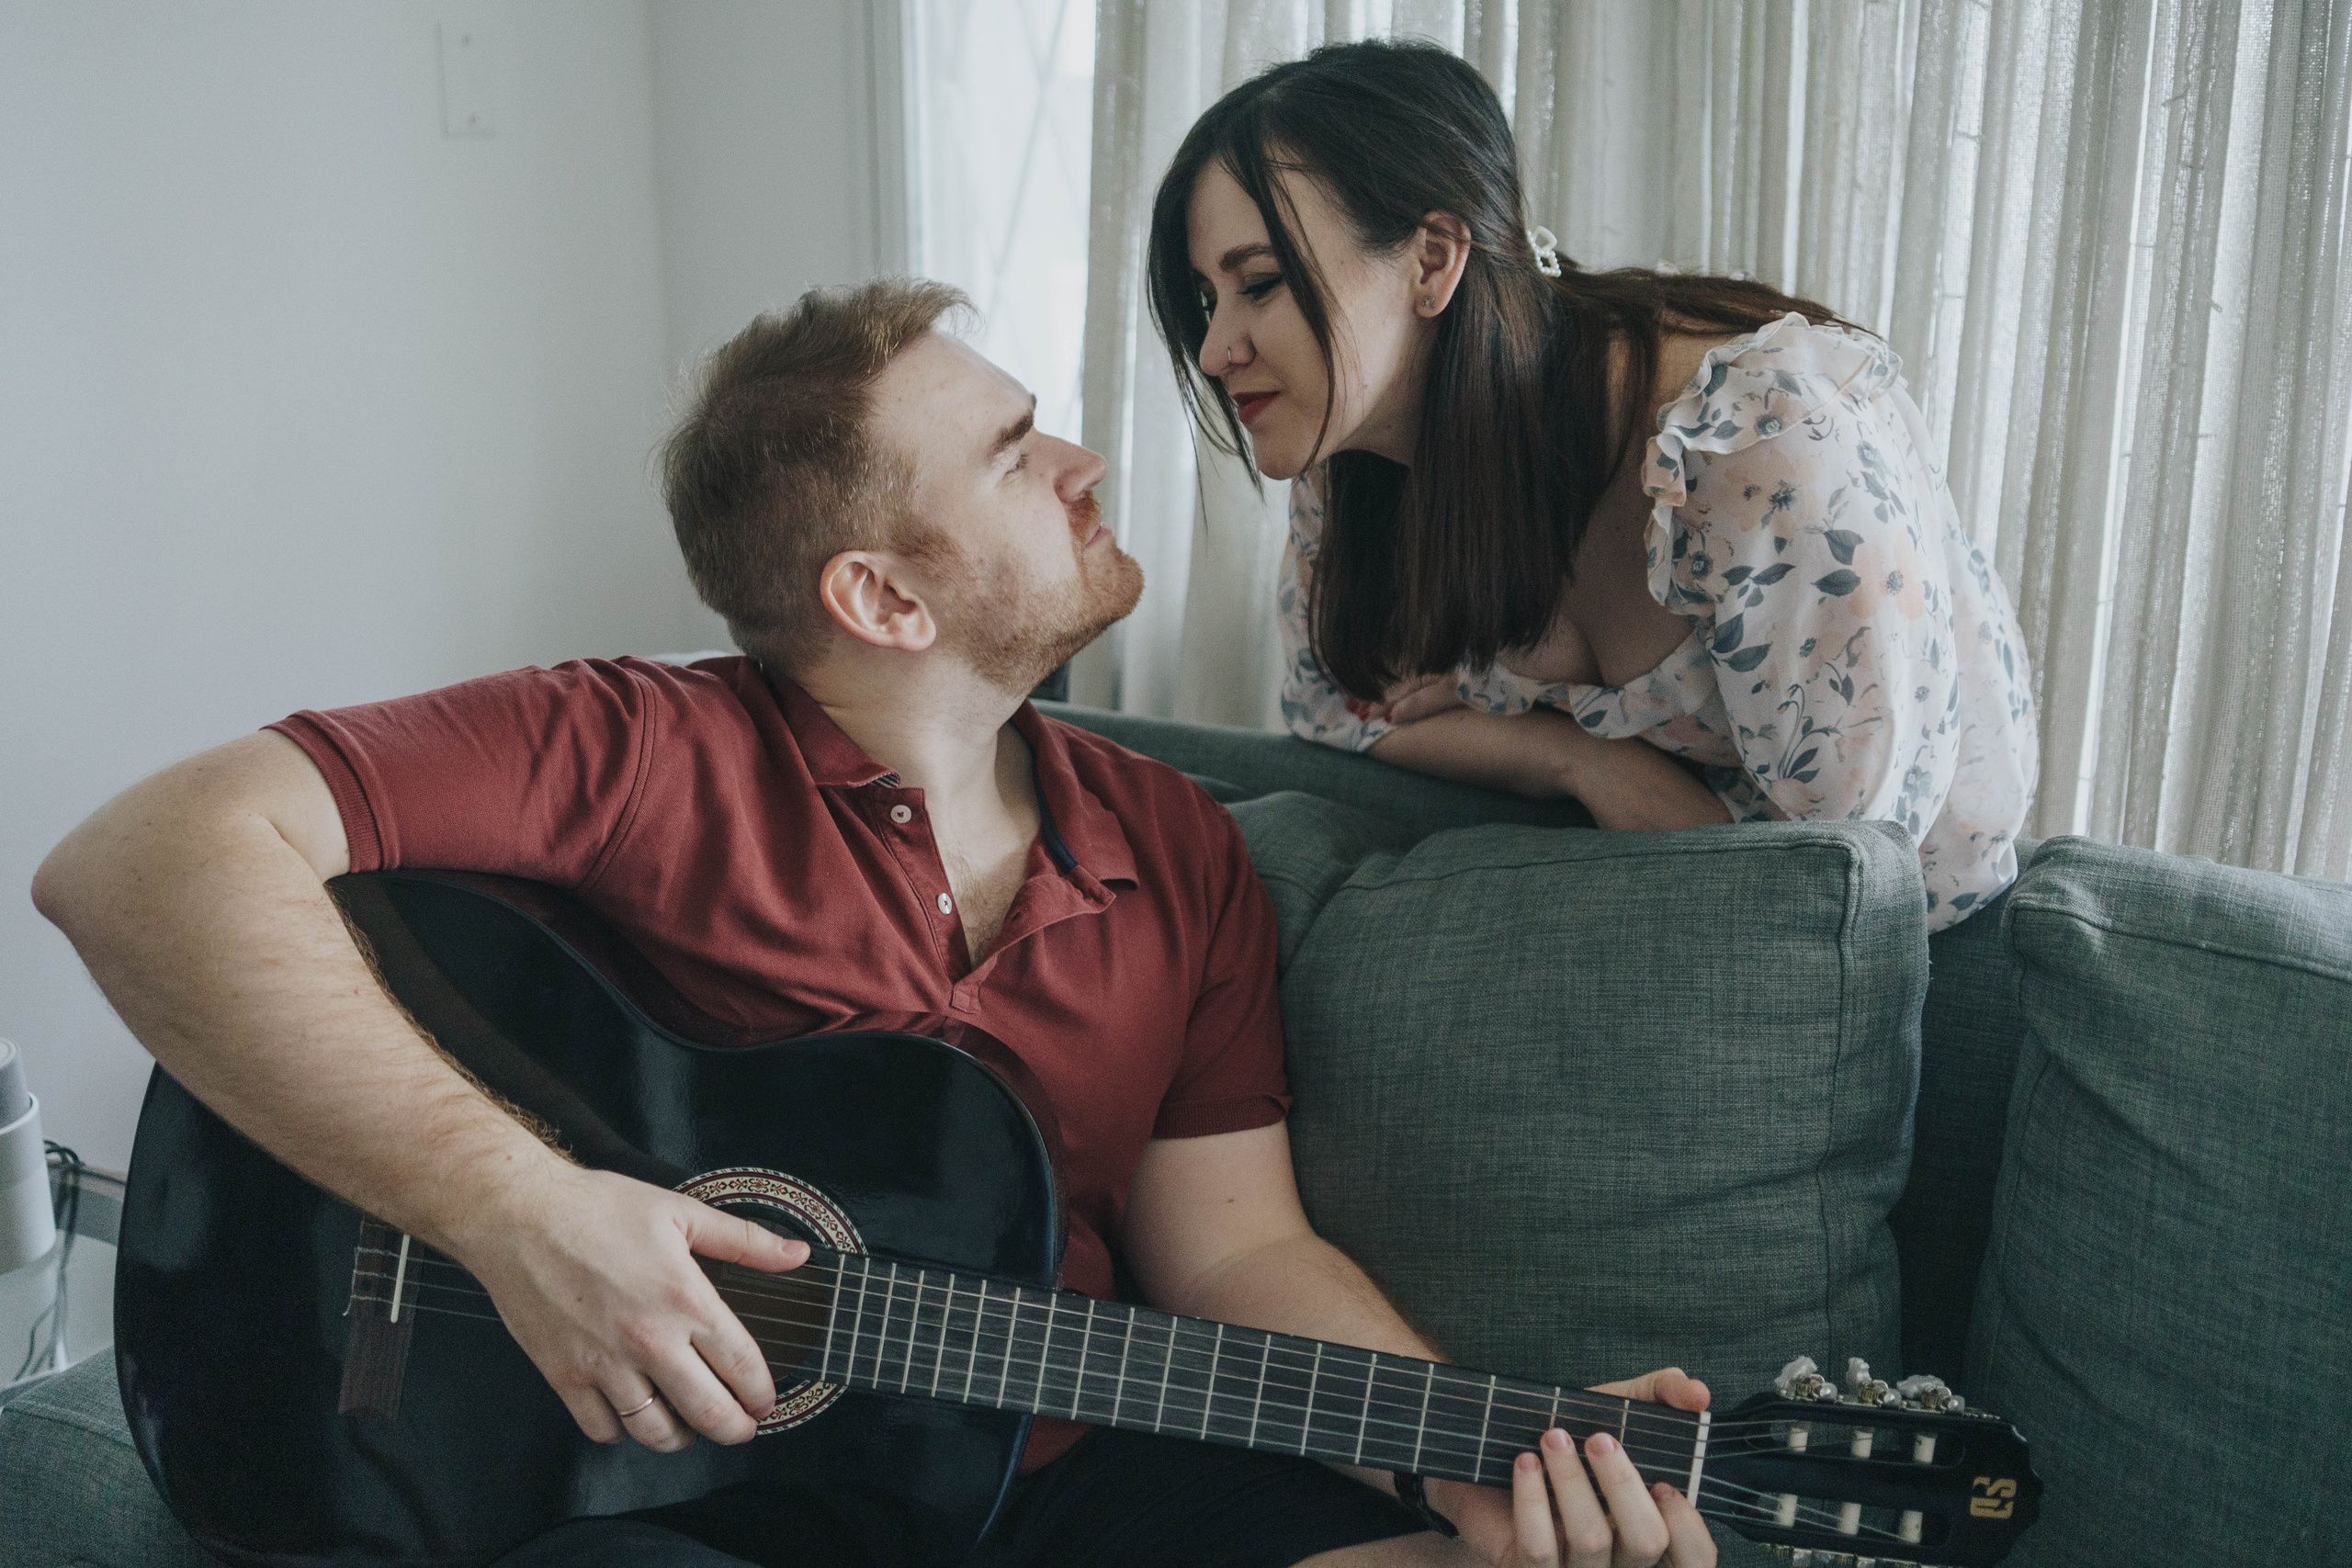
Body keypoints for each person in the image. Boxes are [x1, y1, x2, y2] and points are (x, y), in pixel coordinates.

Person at [34, 280, 1715, 1568]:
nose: (1085, 463)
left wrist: (1478, 1454)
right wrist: (516, 1211)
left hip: (1039, 1481)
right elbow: (138, 863)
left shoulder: (1178, 849)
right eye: (1012, 451)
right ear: (883, 597)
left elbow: (1238, 1252)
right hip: (661, 1510)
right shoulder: (632, 748)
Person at [1148, 40, 2037, 931]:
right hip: (1634, 869)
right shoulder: (1353, 447)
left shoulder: (1759, 449)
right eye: (1202, 301)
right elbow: (1330, 703)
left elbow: (1831, 891)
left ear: (1430, 261)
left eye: (1258, 284)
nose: (1217, 350)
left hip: (1889, 943)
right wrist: (1575, 761)